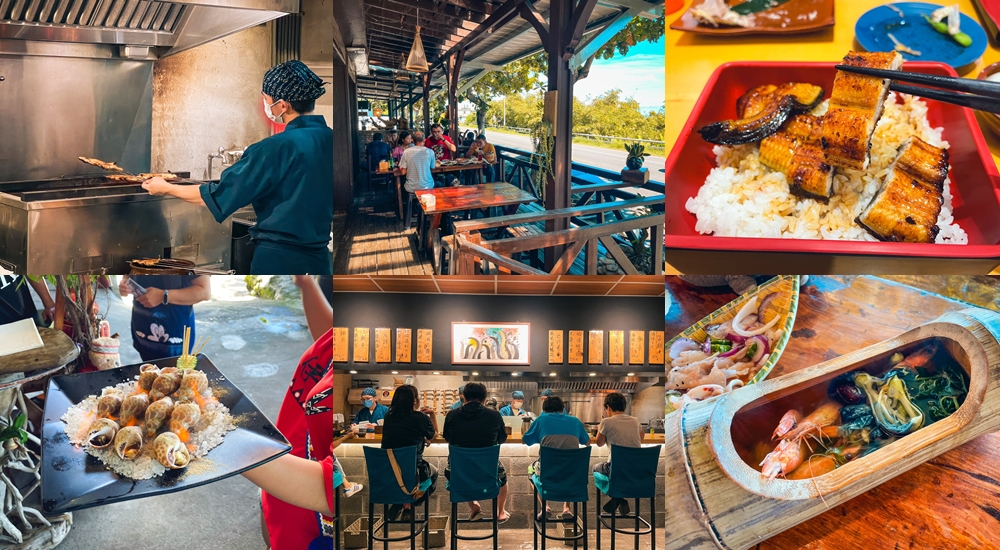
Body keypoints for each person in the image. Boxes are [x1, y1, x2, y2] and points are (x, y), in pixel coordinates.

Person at [142, 60, 333, 275]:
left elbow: (219, 196)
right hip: (321, 261)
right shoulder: (332, 139)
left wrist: (166, 188)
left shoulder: (274, 147)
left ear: (282, 105)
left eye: (265, 98)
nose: (264, 103)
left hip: (280, 261)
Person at [241, 275, 335, 549]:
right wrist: (307, 285)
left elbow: (332, 485)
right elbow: (332, 337)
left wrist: (231, 443)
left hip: (308, 514)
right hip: (281, 477)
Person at [443, 382, 510, 522]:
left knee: (462, 472)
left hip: (458, 472)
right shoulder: (494, 415)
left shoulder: (452, 415)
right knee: (502, 478)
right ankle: (500, 512)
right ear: (484, 399)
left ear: (464, 398)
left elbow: (448, 439)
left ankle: (473, 504)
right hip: (488, 471)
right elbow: (502, 439)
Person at [522, 396, 590, 521]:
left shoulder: (541, 420)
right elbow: (587, 441)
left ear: (544, 409)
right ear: (562, 408)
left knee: (530, 470)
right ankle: (566, 507)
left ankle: (545, 506)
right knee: (568, 468)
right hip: (572, 476)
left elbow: (526, 440)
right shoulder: (575, 421)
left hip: (548, 475)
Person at [118, 275, 211, 362]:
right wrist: (124, 286)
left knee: (175, 373)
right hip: (142, 331)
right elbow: (128, 275)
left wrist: (163, 296)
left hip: (175, 336)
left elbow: (204, 291)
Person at [380, 384, 439, 520]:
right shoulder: (420, 418)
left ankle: (400, 503)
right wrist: (432, 415)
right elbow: (433, 435)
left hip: (390, 470)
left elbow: (402, 435)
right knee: (434, 472)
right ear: (414, 401)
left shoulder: (388, 417)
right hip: (414, 470)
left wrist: (420, 437)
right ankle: (411, 503)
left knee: (407, 474)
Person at [593, 392, 643, 516]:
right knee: (620, 473)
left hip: (615, 470)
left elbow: (599, 443)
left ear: (608, 407)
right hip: (636, 470)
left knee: (595, 468)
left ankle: (616, 495)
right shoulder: (635, 421)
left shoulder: (606, 422)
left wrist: (600, 429)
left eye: (606, 409)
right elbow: (641, 438)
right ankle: (619, 497)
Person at [332, 430, 364, 498]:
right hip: (321, 479)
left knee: (330, 455)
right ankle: (347, 486)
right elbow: (329, 447)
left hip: (310, 476)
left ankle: (347, 486)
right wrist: (346, 437)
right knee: (330, 455)